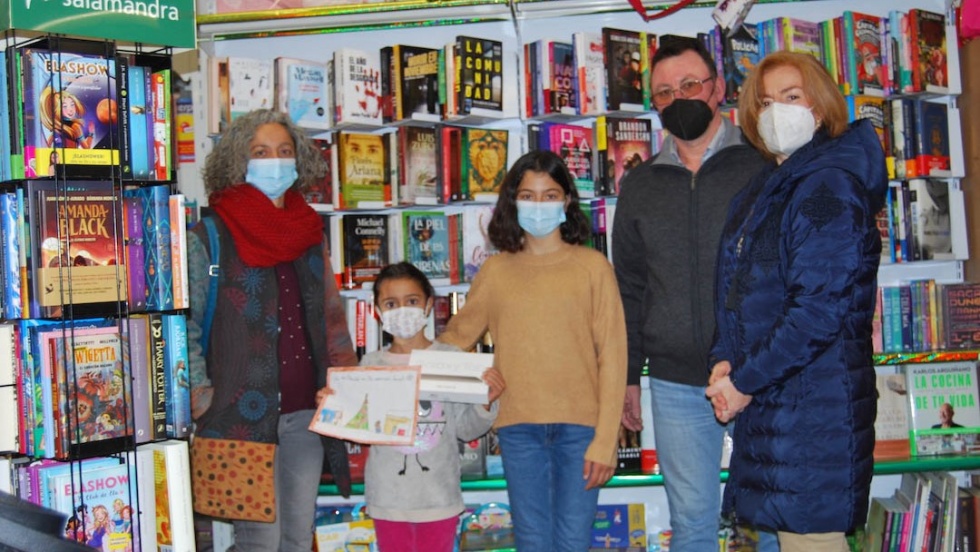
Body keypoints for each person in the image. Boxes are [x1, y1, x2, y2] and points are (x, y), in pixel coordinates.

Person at [705, 51, 887, 552]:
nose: (775, 112)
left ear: (821, 107)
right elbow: (738, 292)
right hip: (779, 407)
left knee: (812, 542)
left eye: (791, 97)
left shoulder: (827, 186)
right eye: (764, 102)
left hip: (814, 412)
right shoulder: (766, 188)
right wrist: (724, 357)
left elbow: (818, 312)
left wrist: (743, 380)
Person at [612, 37, 771, 551]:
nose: (677, 98)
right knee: (693, 527)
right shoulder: (639, 187)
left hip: (761, 375)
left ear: (718, 88)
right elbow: (629, 288)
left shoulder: (764, 167)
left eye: (689, 85)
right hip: (678, 383)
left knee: (774, 523)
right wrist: (628, 377)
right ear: (654, 105)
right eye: (663, 91)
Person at [437, 149, 627, 551]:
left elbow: (613, 358)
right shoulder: (496, 271)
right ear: (512, 201)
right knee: (533, 542)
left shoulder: (594, 268)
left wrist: (606, 439)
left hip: (582, 431)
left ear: (567, 201)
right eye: (528, 195)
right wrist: (394, 367)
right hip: (518, 428)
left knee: (573, 542)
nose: (538, 205)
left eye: (550, 194)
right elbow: (453, 340)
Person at [187, 109, 359, 552]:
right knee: (259, 541)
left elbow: (331, 318)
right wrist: (201, 396)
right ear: (237, 161)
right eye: (260, 152)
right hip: (238, 418)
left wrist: (351, 387)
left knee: (298, 539)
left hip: (307, 414)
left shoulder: (307, 231)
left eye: (285, 151)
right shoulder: (210, 235)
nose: (275, 161)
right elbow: (184, 324)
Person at [330, 261, 505, 552]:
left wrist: (486, 402)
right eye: (391, 303)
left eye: (411, 301)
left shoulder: (450, 359)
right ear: (377, 311)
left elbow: (465, 428)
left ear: (427, 306)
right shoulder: (371, 365)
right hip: (389, 498)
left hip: (439, 498)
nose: (403, 310)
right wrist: (333, 405)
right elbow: (359, 426)